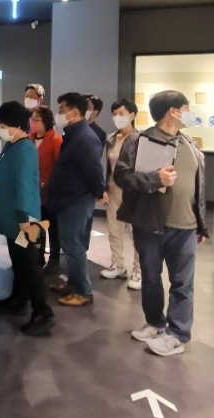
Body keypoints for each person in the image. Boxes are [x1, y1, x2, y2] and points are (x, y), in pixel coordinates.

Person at [114, 91, 207, 357]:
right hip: (150, 224)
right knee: (151, 278)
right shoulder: (139, 141)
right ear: (173, 111)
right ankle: (155, 322)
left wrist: (200, 224)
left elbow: (198, 187)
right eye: (186, 108)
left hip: (186, 226)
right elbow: (122, 176)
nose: (189, 114)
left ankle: (177, 334)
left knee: (182, 283)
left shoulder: (189, 143)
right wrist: (155, 179)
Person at [0, 102, 55, 336]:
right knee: (19, 262)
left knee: (30, 266)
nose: (1, 129)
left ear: (16, 125)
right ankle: (18, 300)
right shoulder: (12, 145)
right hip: (13, 218)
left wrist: (24, 217)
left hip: (24, 220)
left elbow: (25, 185)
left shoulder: (25, 149)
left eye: (3, 125)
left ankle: (43, 313)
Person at [47, 92, 105, 307]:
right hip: (68, 198)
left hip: (76, 200)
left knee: (73, 245)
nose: (59, 113)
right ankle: (73, 283)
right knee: (70, 244)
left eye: (62, 109)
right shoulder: (73, 133)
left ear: (73, 111)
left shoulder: (84, 138)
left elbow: (94, 171)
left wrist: (99, 192)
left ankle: (83, 291)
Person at [100, 99, 141, 289]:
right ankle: (118, 264)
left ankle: (139, 270)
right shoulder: (111, 139)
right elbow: (106, 166)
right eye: (114, 114)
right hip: (113, 189)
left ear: (132, 115)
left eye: (121, 113)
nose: (117, 117)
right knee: (114, 230)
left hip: (133, 193)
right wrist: (104, 187)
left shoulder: (141, 139)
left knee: (136, 233)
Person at [29, 106, 63, 276]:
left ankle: (54, 259)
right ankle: (37, 256)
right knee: (36, 224)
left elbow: (59, 167)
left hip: (50, 191)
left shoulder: (55, 140)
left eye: (38, 120)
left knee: (52, 226)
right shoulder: (29, 139)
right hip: (33, 190)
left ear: (46, 122)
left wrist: (48, 183)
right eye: (32, 119)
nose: (33, 122)